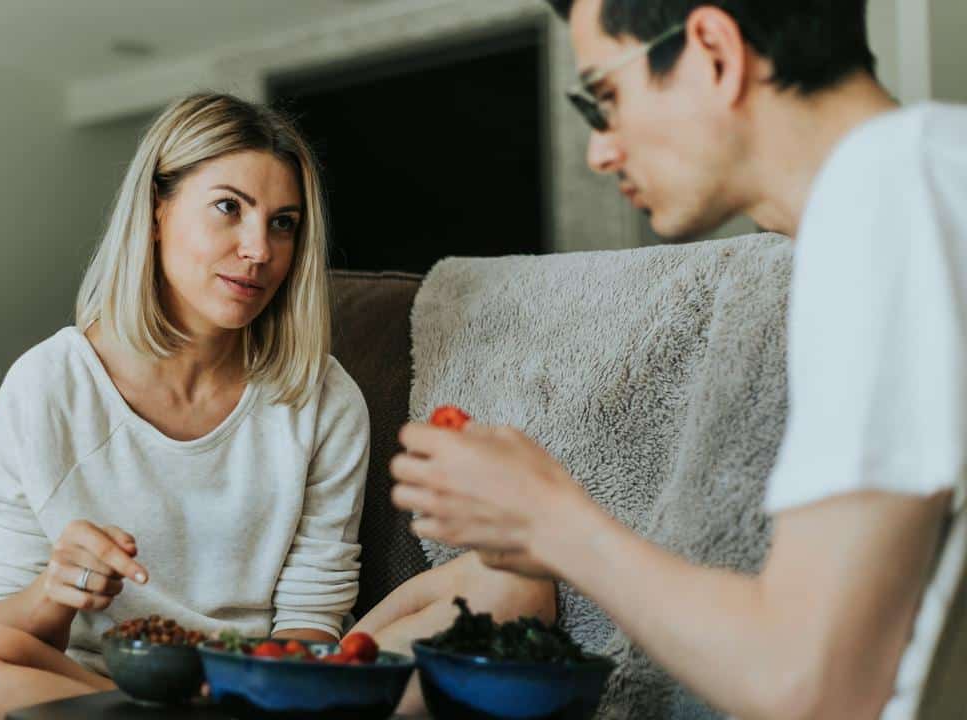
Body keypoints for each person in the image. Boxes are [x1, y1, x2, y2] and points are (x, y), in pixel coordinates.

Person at [390, 1, 967, 718]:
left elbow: (810, 685)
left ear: (714, 52)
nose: (599, 150)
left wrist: (549, 521)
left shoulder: (883, 197)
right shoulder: (929, 173)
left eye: (606, 96)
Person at [0, 93, 370, 719]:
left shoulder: (323, 400)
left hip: (246, 693)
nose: (259, 249)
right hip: (81, 687)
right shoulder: (47, 385)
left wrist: (257, 690)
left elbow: (313, 622)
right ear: (157, 209)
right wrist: (57, 588)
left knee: (495, 587)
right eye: (228, 208)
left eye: (282, 223)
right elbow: (3, 634)